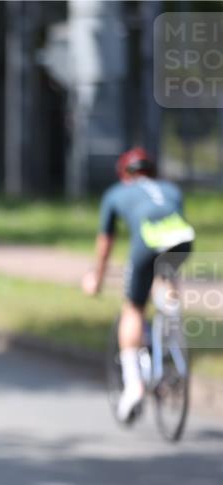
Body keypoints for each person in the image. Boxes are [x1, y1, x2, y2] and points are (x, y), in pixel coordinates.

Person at [82, 147, 195, 422]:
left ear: (124, 175)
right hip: (182, 238)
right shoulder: (170, 190)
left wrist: (97, 277)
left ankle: (133, 386)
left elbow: (105, 242)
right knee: (167, 275)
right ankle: (171, 323)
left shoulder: (115, 193)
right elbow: (172, 230)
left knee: (133, 308)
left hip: (146, 241)